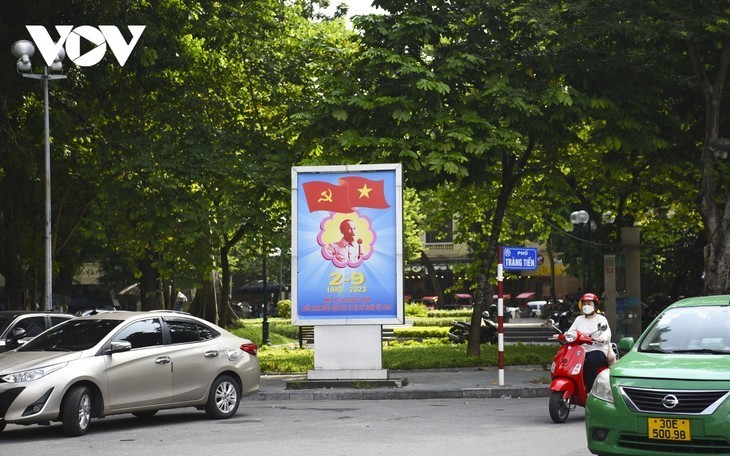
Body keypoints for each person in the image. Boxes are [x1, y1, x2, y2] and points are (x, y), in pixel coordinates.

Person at [566, 292, 613, 392]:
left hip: (598, 349)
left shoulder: (601, 319)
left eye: (589, 303)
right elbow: (571, 331)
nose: (586, 306)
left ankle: (591, 391)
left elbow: (607, 333)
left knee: (590, 361)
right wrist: (565, 335)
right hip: (581, 350)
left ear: (595, 306)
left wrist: (602, 338)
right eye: (584, 304)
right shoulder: (579, 319)